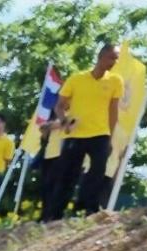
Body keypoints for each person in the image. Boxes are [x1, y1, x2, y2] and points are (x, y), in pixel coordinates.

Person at [47, 43, 124, 220]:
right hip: (75, 135)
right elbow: (59, 106)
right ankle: (55, 216)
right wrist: (64, 120)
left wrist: (111, 138)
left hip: (100, 135)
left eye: (117, 58)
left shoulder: (115, 81)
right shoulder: (76, 79)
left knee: (97, 174)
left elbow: (114, 112)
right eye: (112, 57)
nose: (115, 61)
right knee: (67, 176)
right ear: (101, 56)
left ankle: (87, 212)